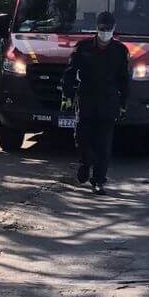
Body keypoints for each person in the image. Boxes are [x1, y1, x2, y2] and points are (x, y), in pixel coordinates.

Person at [61, 10, 129, 194]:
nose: (105, 32)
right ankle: (84, 164)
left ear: (114, 29)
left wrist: (123, 103)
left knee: (103, 144)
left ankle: (99, 181)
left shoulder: (120, 51)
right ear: (97, 29)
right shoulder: (83, 47)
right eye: (102, 28)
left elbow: (124, 79)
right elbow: (70, 72)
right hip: (86, 99)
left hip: (108, 102)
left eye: (108, 29)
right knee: (82, 137)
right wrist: (67, 96)